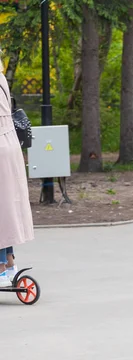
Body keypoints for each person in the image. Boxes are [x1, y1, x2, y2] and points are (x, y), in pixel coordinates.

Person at [0, 64, 34, 287]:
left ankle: (1, 268)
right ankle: (10, 264)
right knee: (6, 209)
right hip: (9, 143)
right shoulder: (1, 77)